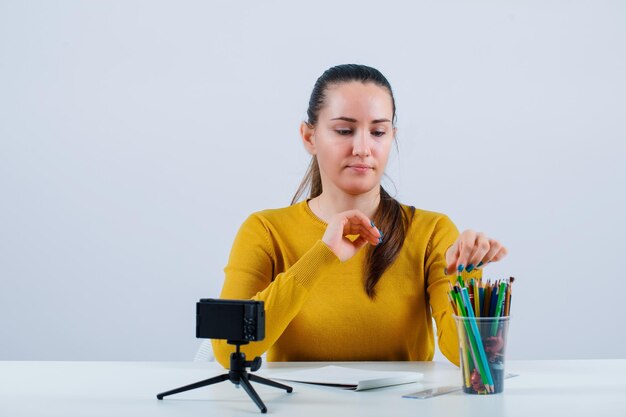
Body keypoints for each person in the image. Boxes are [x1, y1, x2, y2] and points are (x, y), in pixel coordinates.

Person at [211, 64, 507, 369]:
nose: (363, 148)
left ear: (392, 137)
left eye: (378, 132)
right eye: (344, 130)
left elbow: (469, 357)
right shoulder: (265, 231)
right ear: (309, 136)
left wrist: (466, 272)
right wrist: (321, 257)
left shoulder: (432, 231)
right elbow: (229, 351)